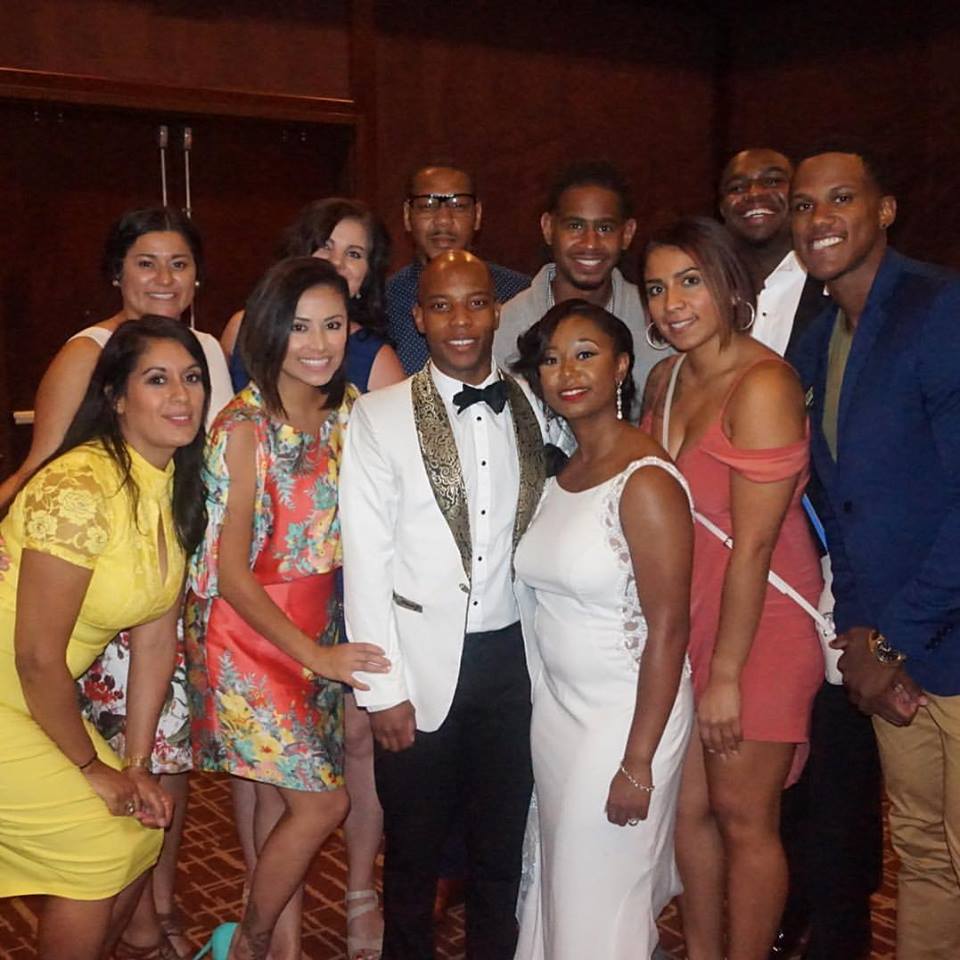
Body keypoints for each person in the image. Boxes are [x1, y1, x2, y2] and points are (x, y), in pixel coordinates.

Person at [0, 206, 232, 959]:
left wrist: (135, 765)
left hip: (31, 696)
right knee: (102, 843)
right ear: (117, 397)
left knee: (140, 828)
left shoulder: (167, 487)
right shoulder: (80, 487)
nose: (182, 395)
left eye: (191, 379)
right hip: (13, 691)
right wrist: (91, 768)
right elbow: (37, 655)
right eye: (157, 380)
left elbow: (157, 637)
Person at [340, 250, 552, 960]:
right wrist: (382, 691)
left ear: (496, 311)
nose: (460, 320)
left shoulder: (535, 405)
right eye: (442, 306)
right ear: (419, 317)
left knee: (501, 848)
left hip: (515, 662)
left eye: (474, 303)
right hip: (418, 664)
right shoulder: (378, 416)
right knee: (413, 854)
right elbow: (366, 561)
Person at [185, 257, 390, 960]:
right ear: (271, 330)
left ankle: (282, 949)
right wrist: (318, 658)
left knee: (282, 801)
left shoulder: (351, 410)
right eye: (300, 327)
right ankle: (250, 942)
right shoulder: (242, 427)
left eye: (332, 325)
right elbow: (231, 575)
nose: (318, 343)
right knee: (324, 801)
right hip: (247, 635)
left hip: (316, 621)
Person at [790, 145, 960, 960]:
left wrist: (893, 642)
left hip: (943, 639)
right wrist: (861, 634)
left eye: (840, 198)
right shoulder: (817, 340)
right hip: (891, 650)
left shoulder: (941, 308)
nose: (818, 219)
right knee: (923, 853)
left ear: (884, 210)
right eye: (804, 205)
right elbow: (839, 506)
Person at [640, 217, 824, 960]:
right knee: (688, 813)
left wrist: (724, 676)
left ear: (727, 283)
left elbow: (753, 545)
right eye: (657, 287)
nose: (672, 303)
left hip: (760, 626)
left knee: (745, 819)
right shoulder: (665, 379)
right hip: (688, 621)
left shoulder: (765, 383)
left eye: (690, 281)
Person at [721, 146, 884, 960]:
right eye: (737, 185)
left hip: (834, 577)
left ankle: (835, 929)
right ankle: (787, 918)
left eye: (772, 184)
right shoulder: (711, 301)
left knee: (840, 787)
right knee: (768, 784)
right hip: (753, 576)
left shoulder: (838, 294)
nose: (756, 195)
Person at [510, 300, 694, 959]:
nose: (567, 372)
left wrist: (639, 762)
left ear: (621, 366)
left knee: (601, 903)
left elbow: (670, 629)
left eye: (585, 354)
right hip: (559, 715)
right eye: (551, 359)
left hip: (624, 721)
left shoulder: (646, 482)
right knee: (561, 889)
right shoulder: (563, 472)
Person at [494, 160, 662, 398]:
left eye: (605, 228)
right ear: (548, 228)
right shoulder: (504, 328)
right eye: (575, 226)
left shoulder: (657, 321)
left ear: (627, 233)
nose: (590, 243)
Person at [386, 162, 530, 374]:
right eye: (428, 205)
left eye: (458, 205)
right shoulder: (384, 302)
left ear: (477, 214)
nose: (443, 220)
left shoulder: (520, 294)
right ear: (408, 215)